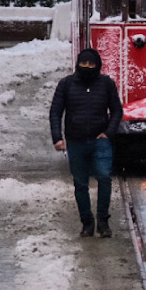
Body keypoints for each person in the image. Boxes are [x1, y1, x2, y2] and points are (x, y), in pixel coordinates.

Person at [49, 48, 122, 238]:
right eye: (84, 64)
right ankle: (87, 222)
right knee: (80, 184)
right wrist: (57, 137)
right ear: (77, 64)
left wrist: (108, 133)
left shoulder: (106, 84)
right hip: (75, 141)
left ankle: (103, 221)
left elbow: (116, 110)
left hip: (101, 141)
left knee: (104, 177)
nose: (87, 68)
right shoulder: (66, 84)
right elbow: (56, 112)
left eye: (91, 64)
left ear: (98, 66)